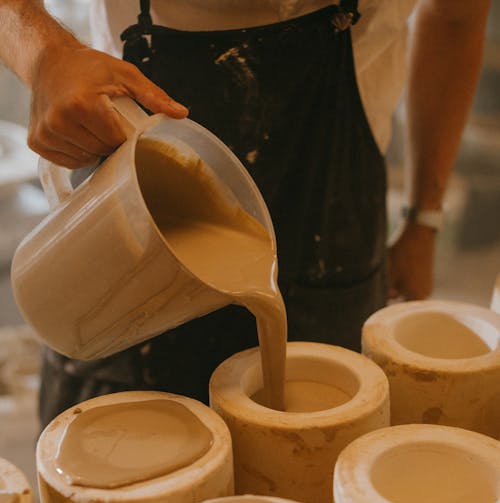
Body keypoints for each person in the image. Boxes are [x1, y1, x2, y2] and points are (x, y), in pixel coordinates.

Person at [0, 0, 492, 426]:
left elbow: (455, 17)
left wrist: (423, 220)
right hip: (131, 203)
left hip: (330, 215)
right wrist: (44, 54)